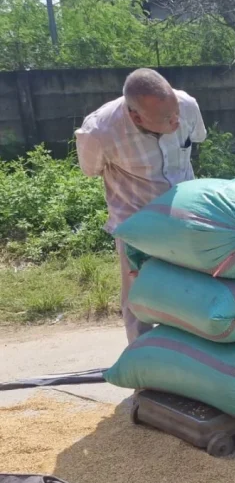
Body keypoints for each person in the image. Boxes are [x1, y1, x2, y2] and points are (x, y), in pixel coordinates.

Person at [76, 68, 207, 344]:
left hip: (183, 217)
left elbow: (197, 137)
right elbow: (90, 170)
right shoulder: (99, 131)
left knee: (191, 292)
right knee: (139, 299)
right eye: (166, 119)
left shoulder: (187, 106)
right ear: (136, 116)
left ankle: (191, 360)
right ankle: (145, 368)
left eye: (175, 113)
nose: (176, 121)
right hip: (135, 225)